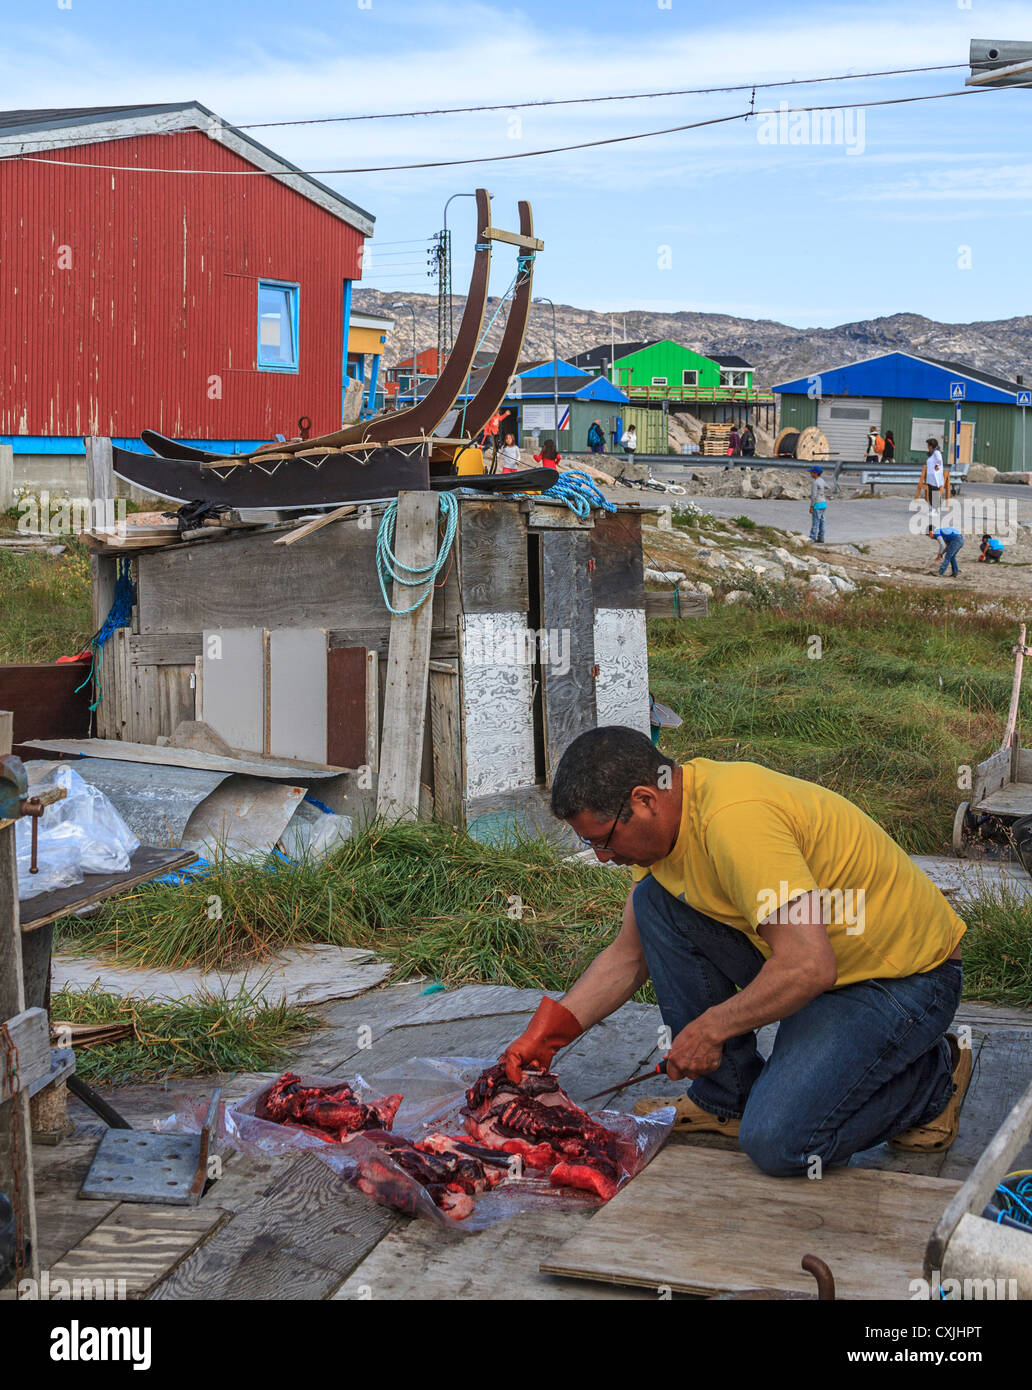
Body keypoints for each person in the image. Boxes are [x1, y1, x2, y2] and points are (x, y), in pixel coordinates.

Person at [498, 727, 968, 1174]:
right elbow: (629, 955)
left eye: (602, 840)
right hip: (816, 963)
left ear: (643, 800)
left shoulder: (735, 822)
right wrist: (549, 1035)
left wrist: (711, 1028)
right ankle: (726, 1098)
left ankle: (932, 1080)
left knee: (780, 1143)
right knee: (653, 906)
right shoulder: (672, 821)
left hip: (899, 981)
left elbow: (808, 965)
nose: (602, 856)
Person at [924, 438, 945, 513]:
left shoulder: (936, 452)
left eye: (928, 445)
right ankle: (935, 509)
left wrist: (936, 466)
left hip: (935, 476)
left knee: (934, 491)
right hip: (931, 476)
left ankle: (935, 509)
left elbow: (939, 461)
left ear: (931, 446)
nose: (927, 447)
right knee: (931, 491)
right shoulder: (932, 453)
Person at [809, 465, 828, 544]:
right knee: (822, 522)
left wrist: (811, 506)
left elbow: (813, 496)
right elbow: (828, 487)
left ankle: (812, 537)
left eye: (811, 472)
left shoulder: (815, 482)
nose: (810, 474)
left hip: (817, 504)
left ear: (815, 473)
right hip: (823, 503)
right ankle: (821, 537)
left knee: (816, 522)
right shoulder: (822, 480)